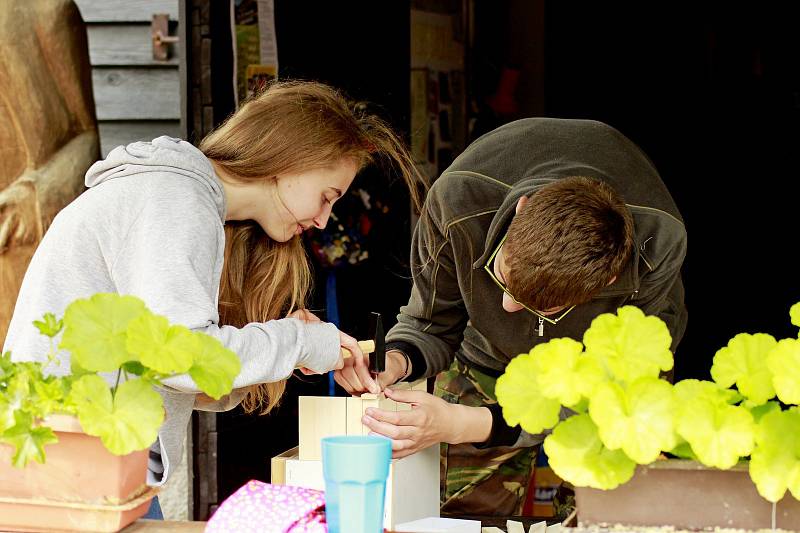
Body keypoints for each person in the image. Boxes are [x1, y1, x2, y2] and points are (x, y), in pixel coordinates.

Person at [3, 81, 423, 514]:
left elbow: (181, 375)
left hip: (87, 464)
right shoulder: (176, 200)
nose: (322, 220)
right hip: (67, 468)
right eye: (327, 196)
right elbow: (180, 359)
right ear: (291, 159)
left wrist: (290, 349)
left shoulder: (190, 203)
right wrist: (299, 340)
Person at [334, 118, 687, 516]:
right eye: (501, 278)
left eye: (539, 307)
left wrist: (465, 425)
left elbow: (614, 395)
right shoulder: (457, 202)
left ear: (607, 280)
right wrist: (396, 362)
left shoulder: (658, 248)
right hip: (483, 360)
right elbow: (431, 322)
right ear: (521, 209)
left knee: (607, 515)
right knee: (463, 514)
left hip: (603, 377)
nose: (506, 308)